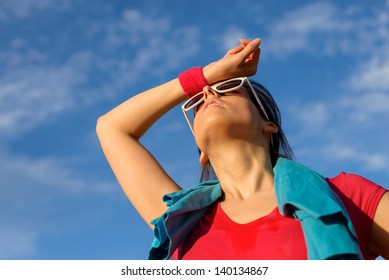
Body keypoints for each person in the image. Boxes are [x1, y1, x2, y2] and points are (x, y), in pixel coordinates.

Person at [96, 38, 389, 260]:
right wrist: (206, 75)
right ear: (201, 151)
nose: (209, 93)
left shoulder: (348, 195)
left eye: (228, 88)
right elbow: (112, 128)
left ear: (269, 124)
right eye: (197, 103)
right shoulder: (180, 222)